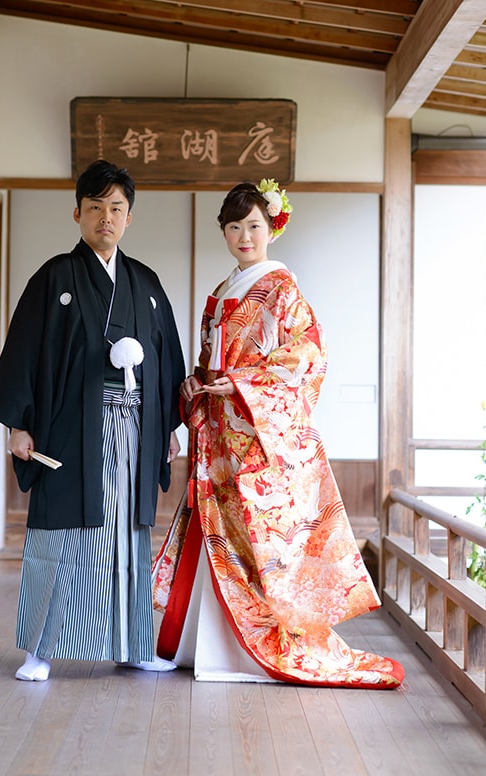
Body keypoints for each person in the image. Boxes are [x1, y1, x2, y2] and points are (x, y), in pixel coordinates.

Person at [153, 180, 404, 688]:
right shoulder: (227, 288)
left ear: (272, 228)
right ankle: (198, 646)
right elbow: (211, 359)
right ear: (223, 232)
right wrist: (198, 382)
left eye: (254, 226)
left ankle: (252, 650)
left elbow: (306, 358)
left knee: (258, 542)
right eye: (234, 227)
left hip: (255, 439)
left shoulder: (282, 288)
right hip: (221, 431)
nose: (244, 236)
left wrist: (241, 383)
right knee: (215, 532)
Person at [0, 159, 185, 680]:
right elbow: (23, 352)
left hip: (136, 429)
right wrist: (17, 424)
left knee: (128, 534)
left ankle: (133, 644)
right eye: (95, 208)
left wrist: (167, 431)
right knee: (62, 533)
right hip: (71, 432)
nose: (106, 218)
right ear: (77, 214)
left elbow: (167, 364)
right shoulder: (55, 278)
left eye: (116, 208)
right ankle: (40, 649)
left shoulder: (147, 284)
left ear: (129, 218)